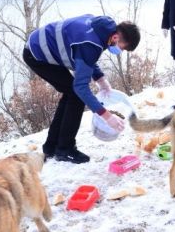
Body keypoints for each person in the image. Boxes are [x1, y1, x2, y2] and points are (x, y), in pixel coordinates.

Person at [23, 14, 141, 163]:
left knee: (70, 93)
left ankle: (51, 147)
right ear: (116, 38)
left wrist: (100, 79)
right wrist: (106, 116)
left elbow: (86, 57)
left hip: (38, 46)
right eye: (122, 49)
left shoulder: (103, 28)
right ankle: (65, 149)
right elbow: (81, 84)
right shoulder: (92, 43)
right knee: (76, 95)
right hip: (37, 55)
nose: (120, 51)